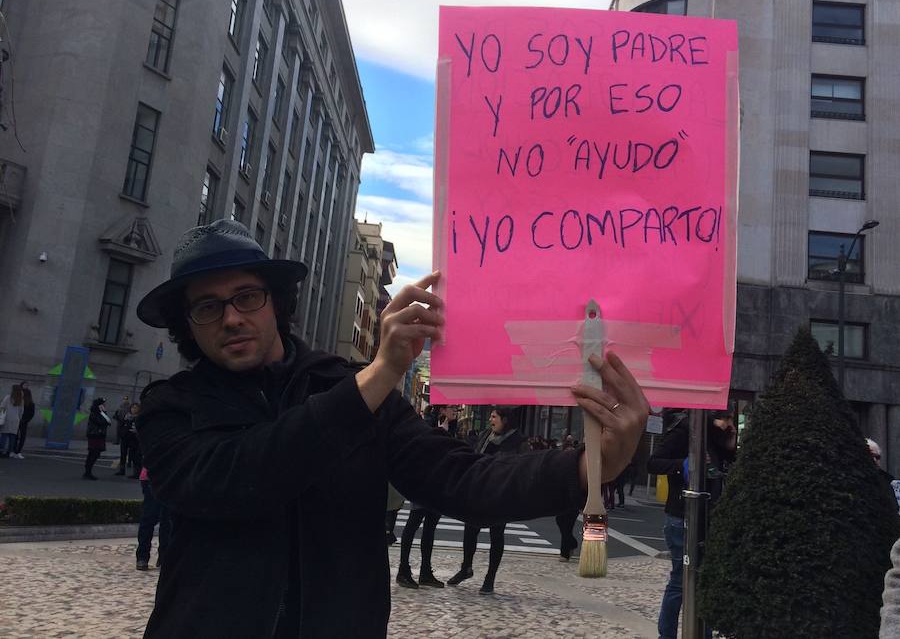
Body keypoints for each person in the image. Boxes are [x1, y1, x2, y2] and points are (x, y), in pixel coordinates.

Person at [133, 219, 648, 638]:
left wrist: (585, 468)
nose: (230, 318)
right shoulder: (170, 407)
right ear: (187, 324)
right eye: (207, 306)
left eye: (247, 296)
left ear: (276, 302)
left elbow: (461, 481)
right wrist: (380, 374)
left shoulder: (345, 388)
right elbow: (242, 475)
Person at [647, 407, 736, 639]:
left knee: (703, 580)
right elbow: (653, 463)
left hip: (709, 514)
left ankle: (702, 633)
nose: (727, 425)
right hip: (682, 514)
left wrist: (731, 445)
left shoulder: (716, 438)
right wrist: (683, 465)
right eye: (723, 420)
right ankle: (667, 635)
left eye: (730, 420)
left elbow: (724, 466)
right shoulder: (685, 431)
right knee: (680, 580)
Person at [446, 407, 530, 595]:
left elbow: (525, 467)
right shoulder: (486, 435)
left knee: (497, 534)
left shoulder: (519, 441)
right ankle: (466, 567)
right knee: (470, 529)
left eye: (494, 417)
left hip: (501, 492)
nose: (491, 419)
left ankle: (490, 578)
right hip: (479, 489)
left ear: (505, 419)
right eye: (491, 416)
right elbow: (475, 455)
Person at [397, 407, 459, 589]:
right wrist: (441, 433)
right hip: (423, 480)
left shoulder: (451, 426)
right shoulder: (427, 423)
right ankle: (403, 570)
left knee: (430, 527)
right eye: (452, 408)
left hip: (438, 481)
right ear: (442, 409)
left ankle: (425, 572)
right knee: (413, 523)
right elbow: (423, 449)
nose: (455, 410)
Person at [136, 466, 172, 571]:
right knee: (149, 517)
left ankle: (164, 557)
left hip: (170, 477)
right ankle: (142, 557)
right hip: (152, 476)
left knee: (167, 520)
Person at [867, 439, 899, 513]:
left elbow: (894, 508)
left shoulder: (887, 480)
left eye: (877, 457)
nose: (874, 460)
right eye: (871, 455)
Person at [83, 397, 111, 480]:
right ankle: (88, 472)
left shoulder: (100, 413)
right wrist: (104, 413)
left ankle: (88, 471)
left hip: (99, 435)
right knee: (93, 453)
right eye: (102, 404)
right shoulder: (95, 413)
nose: (104, 406)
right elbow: (102, 422)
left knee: (94, 453)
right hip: (95, 435)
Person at [117, 402, 142, 478]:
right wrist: (121, 433)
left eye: (136, 408)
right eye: (133, 407)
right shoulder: (127, 416)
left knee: (135, 456)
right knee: (123, 454)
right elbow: (121, 425)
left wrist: (137, 431)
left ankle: (136, 473)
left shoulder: (139, 417)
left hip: (134, 438)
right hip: (125, 437)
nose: (134, 409)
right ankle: (121, 470)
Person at [0, 384, 24, 458]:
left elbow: (2, 407)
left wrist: (1, 417)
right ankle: (10, 452)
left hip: (7, 418)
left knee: (4, 435)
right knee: (12, 437)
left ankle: (1, 450)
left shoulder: (8, 397)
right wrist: (19, 418)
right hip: (15, 420)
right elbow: (21, 411)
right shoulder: (21, 400)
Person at [14, 381, 34, 458]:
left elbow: (31, 412)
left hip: (23, 420)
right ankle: (13, 450)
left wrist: (26, 420)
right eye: (24, 385)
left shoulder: (29, 398)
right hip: (16, 419)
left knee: (22, 436)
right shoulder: (16, 395)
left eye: (27, 385)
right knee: (15, 435)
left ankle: (18, 451)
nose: (26, 386)